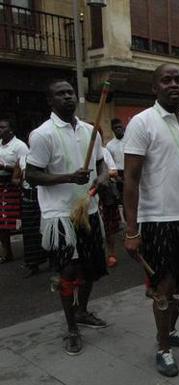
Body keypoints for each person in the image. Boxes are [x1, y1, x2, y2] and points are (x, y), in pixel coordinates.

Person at [123, 64, 179, 377]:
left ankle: (171, 330)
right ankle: (163, 348)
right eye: (167, 80)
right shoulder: (141, 123)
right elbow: (131, 181)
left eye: (178, 80)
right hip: (156, 220)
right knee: (165, 287)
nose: (174, 84)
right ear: (154, 88)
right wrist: (131, 230)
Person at [26, 79, 110, 355]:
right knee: (68, 272)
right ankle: (71, 326)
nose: (67, 97)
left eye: (70, 93)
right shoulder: (42, 134)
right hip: (60, 214)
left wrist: (101, 177)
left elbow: (101, 162)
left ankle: (83, 311)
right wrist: (68, 177)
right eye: (60, 94)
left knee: (90, 268)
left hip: (88, 209)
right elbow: (32, 174)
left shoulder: (91, 131)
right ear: (50, 102)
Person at [0, 118, 29, 263]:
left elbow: (24, 169)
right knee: (1, 223)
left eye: (2, 127)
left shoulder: (20, 146)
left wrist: (5, 167)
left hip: (14, 186)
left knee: (19, 220)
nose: (0, 129)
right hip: (1, 187)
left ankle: (32, 250)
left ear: (11, 130)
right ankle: (7, 252)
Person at [99, 146, 121, 267]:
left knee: (108, 227)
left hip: (104, 193)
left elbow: (114, 171)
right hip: (85, 194)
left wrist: (102, 175)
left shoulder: (103, 151)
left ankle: (111, 253)